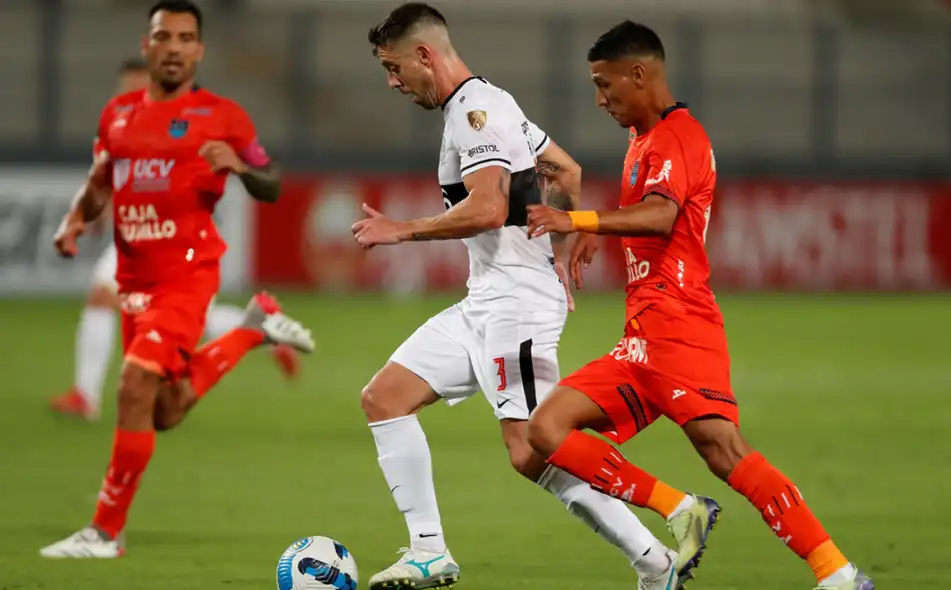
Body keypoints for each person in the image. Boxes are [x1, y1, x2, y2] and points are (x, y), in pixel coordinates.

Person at [524, 20, 875, 590]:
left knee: (725, 451)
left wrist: (579, 219)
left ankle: (836, 573)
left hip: (681, 328)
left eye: (604, 83)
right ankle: (679, 507)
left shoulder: (679, 136)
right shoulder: (642, 139)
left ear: (639, 74)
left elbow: (663, 216)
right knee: (546, 429)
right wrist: (602, 231)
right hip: (640, 338)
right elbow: (652, 215)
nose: (599, 98)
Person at [354, 4, 685, 589]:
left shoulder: (476, 114)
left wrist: (401, 230)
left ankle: (654, 558)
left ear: (424, 55)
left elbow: (485, 209)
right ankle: (428, 549)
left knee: (532, 449)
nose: (392, 82)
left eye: (393, 66)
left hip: (516, 306)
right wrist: (573, 239)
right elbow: (567, 169)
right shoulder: (487, 106)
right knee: (384, 398)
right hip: (487, 298)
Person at [39, 0, 315, 559]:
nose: (174, 47)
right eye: (164, 36)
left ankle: (104, 532)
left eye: (186, 37)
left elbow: (271, 180)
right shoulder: (118, 114)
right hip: (132, 279)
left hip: (187, 274)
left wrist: (240, 167)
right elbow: (99, 183)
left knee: (133, 385)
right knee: (162, 410)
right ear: (148, 44)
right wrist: (75, 219)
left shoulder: (223, 117)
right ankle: (251, 329)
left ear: (199, 50)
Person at [49, 57, 300, 423]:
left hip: (174, 241)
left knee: (124, 304)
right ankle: (260, 328)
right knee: (123, 302)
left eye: (137, 82)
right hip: (136, 239)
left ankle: (86, 396)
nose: (129, 91)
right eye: (125, 84)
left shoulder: (178, 125)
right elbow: (110, 181)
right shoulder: (118, 126)